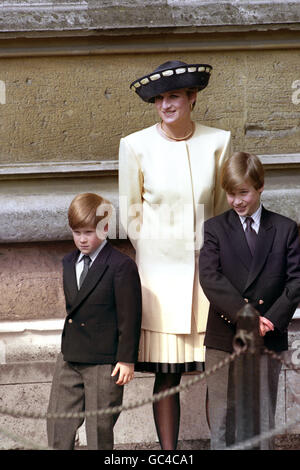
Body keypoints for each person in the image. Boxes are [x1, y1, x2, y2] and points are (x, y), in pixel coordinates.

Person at [118, 60, 231, 449]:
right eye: (160, 98)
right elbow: (131, 213)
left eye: (174, 97)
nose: (166, 105)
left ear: (192, 97)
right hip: (160, 284)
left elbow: (220, 209)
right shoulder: (135, 145)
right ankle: (169, 455)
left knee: (217, 371)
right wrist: (156, 257)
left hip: (207, 277)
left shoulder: (219, 141)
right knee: (168, 375)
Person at [199, 151, 300, 449]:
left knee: (262, 417)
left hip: (268, 335)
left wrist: (271, 320)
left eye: (243, 192)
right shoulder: (215, 228)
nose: (237, 201)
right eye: (230, 194)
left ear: (260, 187)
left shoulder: (284, 229)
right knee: (222, 417)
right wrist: (248, 316)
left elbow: (296, 280)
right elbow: (210, 278)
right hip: (224, 337)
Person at [47, 193, 142, 450]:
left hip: (104, 361)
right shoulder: (69, 262)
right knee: (57, 423)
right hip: (71, 356)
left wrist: (126, 359)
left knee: (99, 430)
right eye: (76, 232)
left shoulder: (121, 265)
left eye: (88, 232)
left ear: (105, 227)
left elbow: (130, 316)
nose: (82, 239)